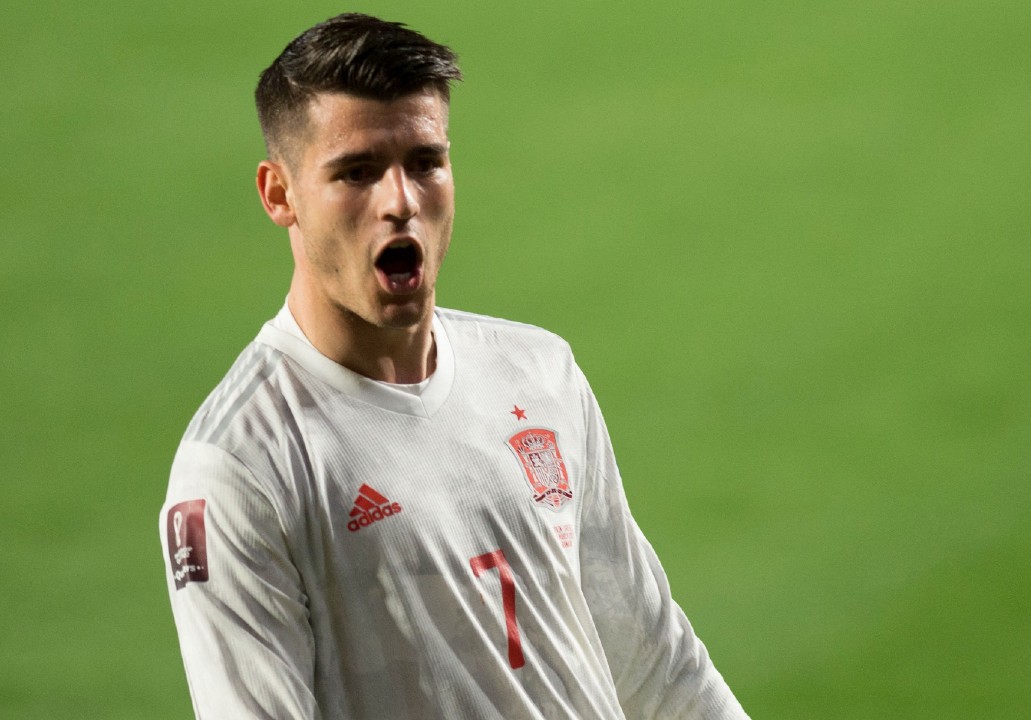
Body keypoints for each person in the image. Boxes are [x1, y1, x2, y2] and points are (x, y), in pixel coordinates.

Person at [159, 13, 749, 720]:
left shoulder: (539, 373)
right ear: (279, 193)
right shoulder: (240, 467)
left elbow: (655, 665)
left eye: (424, 162)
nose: (400, 201)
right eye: (357, 172)